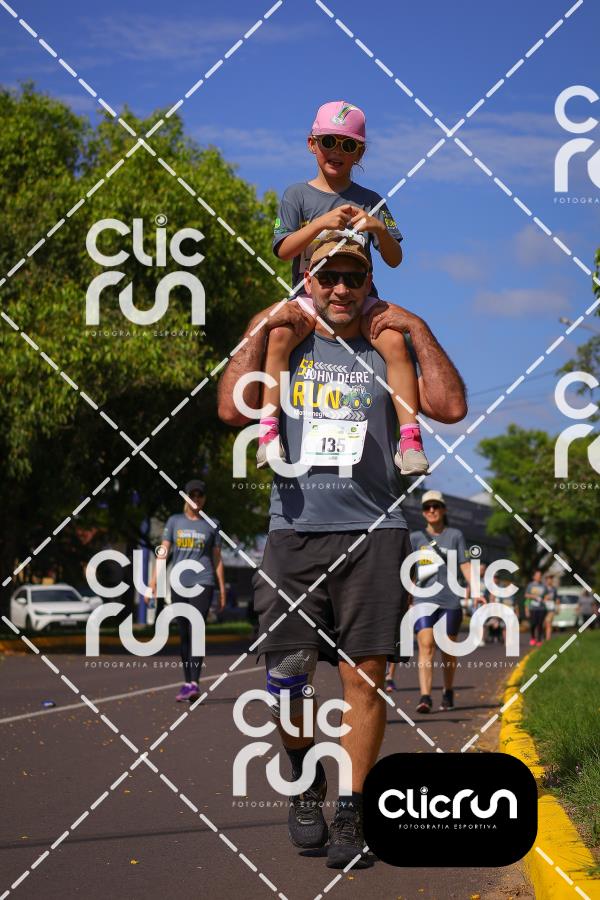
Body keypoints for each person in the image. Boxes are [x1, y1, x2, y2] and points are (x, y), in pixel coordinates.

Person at [218, 239, 467, 869]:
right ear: (309, 279)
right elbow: (229, 408)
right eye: (329, 276)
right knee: (290, 674)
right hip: (294, 533)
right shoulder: (289, 340)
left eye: (354, 276)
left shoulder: (388, 344)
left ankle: (353, 811)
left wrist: (418, 327)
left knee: (366, 678)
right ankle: (306, 781)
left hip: (376, 534)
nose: (341, 288)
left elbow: (451, 407)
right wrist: (264, 323)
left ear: (369, 282)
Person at [257, 99, 428, 477]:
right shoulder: (296, 195)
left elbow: (395, 259)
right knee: (279, 336)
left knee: (395, 343)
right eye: (328, 141)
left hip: (359, 297)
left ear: (359, 153)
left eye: (348, 144)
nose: (337, 151)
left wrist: (379, 228)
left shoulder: (372, 200)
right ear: (312, 144)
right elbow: (283, 250)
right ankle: (268, 432)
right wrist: (321, 224)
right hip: (309, 296)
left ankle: (410, 440)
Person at [147, 480, 226, 702]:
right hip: (179, 582)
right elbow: (163, 553)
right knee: (184, 633)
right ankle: (187, 682)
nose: (196, 499)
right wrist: (153, 583)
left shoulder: (212, 524)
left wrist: (222, 589)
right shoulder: (174, 521)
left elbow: (217, 559)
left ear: (204, 498)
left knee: (197, 629)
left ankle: (194, 683)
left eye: (200, 495)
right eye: (193, 495)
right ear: (186, 497)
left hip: (204, 581)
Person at [410, 491, 483, 714]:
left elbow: (465, 565)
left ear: (443, 509)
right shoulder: (415, 538)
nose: (431, 510)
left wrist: (476, 590)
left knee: (448, 649)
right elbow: (409, 570)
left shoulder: (455, 535)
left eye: (436, 506)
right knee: (426, 644)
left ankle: (448, 690)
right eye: (427, 507)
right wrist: (406, 596)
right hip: (423, 598)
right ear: (423, 512)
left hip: (450, 599)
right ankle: (425, 697)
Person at [524, 569, 546, 647]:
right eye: (537, 575)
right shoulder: (530, 585)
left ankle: (539, 640)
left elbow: (546, 595)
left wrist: (546, 598)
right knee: (533, 624)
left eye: (540, 575)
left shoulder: (543, 586)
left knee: (540, 624)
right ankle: (533, 637)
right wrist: (534, 597)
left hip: (541, 608)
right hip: (532, 608)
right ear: (534, 577)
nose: (539, 577)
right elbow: (526, 595)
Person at [542, 574, 559, 641]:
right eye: (548, 579)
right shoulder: (543, 588)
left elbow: (556, 599)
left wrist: (557, 607)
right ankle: (544, 636)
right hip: (543, 608)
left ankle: (548, 639)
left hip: (551, 609)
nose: (550, 581)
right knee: (544, 624)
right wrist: (544, 598)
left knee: (549, 623)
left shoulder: (554, 589)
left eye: (551, 579)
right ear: (546, 581)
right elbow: (539, 598)